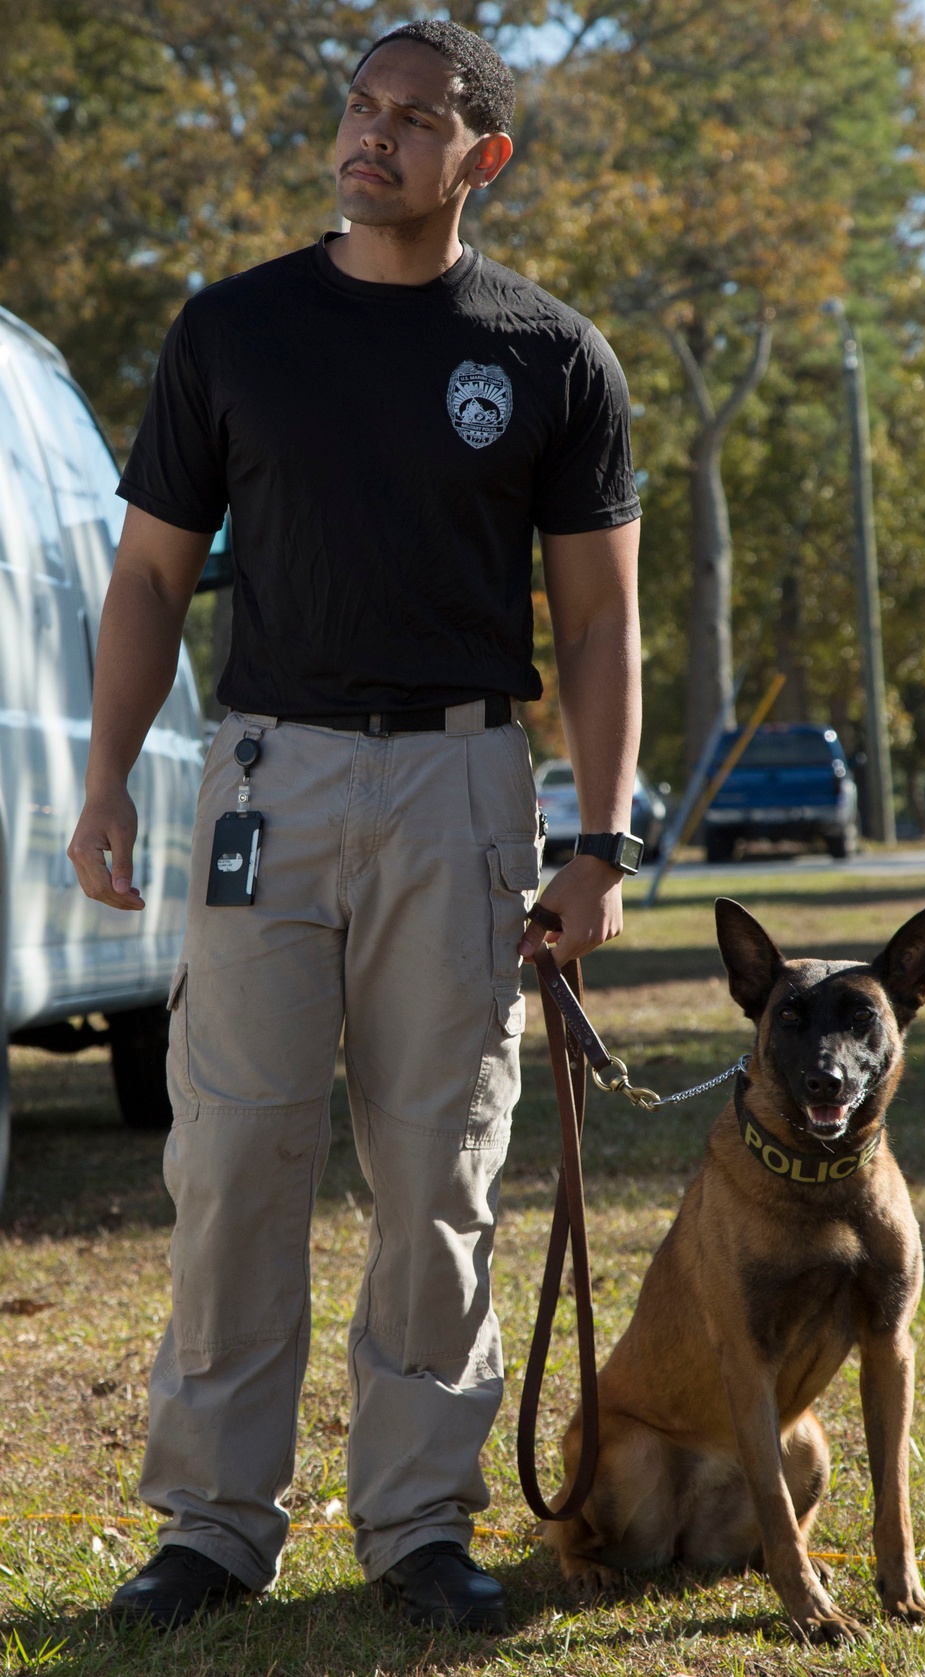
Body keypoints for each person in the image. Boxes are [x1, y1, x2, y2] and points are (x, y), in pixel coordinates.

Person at [69, 18, 642, 1634]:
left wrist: (601, 839)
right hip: (270, 777)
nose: (371, 138)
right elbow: (151, 579)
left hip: (464, 784)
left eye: (414, 118)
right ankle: (210, 1527)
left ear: (485, 158)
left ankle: (415, 1523)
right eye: (358, 109)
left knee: (438, 1159)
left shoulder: (550, 354)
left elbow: (601, 625)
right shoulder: (234, 332)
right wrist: (110, 776)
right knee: (237, 1150)